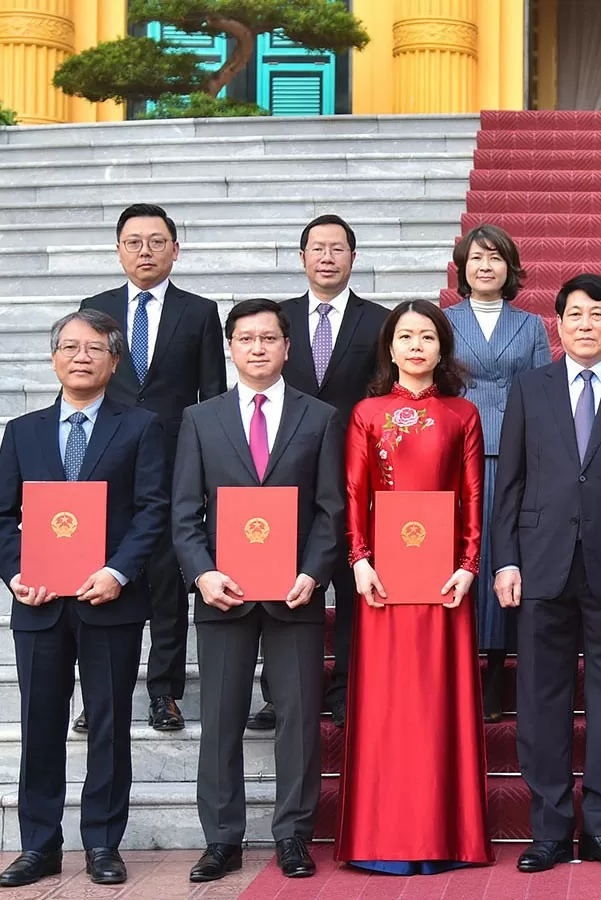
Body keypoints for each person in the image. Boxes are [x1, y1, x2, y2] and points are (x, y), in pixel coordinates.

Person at [0, 309, 170, 887]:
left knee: (109, 725)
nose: (81, 356)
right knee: (40, 724)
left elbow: (152, 510)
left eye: (94, 348)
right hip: (38, 604)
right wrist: (17, 575)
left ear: (116, 360)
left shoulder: (140, 427)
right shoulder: (24, 430)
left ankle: (102, 844)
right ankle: (38, 844)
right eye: (69, 346)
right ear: (54, 357)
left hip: (107, 600)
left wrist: (118, 571)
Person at [493, 273, 601, 873]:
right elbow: (510, 483)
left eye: (599, 315)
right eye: (575, 314)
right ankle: (548, 829)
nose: (586, 324)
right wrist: (507, 557)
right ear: (558, 324)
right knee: (541, 701)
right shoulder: (529, 388)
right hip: (542, 563)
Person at [171, 299, 344, 882]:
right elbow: (183, 511)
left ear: (287, 348)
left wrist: (313, 573)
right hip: (224, 591)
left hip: (294, 592)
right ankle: (222, 839)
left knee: (297, 719)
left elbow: (330, 510)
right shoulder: (202, 419)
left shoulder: (319, 417)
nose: (258, 348)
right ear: (230, 347)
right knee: (221, 718)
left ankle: (293, 835)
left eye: (269, 338)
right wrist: (202, 572)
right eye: (246, 339)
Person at [336, 300, 493, 874]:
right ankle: (383, 838)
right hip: (383, 582)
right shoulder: (366, 413)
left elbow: (474, 496)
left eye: (428, 336)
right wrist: (359, 560)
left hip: (444, 582)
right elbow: (353, 493)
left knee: (436, 704)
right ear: (390, 347)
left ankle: (444, 837)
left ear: (443, 347)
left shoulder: (462, 414)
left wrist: (469, 564)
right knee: (388, 707)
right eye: (406, 336)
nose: (417, 346)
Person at [75, 203, 226, 734]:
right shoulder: (94, 310)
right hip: (106, 466)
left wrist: (208, 473)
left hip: (171, 467)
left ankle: (164, 692)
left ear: (174, 250)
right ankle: (98, 697)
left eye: (156, 241)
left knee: (165, 581)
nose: (145, 250)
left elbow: (213, 398)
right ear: (119, 250)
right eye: (134, 241)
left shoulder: (200, 311)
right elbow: (79, 385)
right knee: (100, 577)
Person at [260, 214, 389, 731]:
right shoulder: (278, 320)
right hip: (285, 474)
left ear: (353, 258)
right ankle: (281, 693)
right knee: (282, 583)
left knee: (351, 587)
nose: (328, 257)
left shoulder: (379, 321)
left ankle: (347, 688)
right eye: (318, 248)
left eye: (338, 249)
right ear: (302, 258)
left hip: (356, 473)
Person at [445, 224, 552, 722]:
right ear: (463, 268)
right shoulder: (443, 321)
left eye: (495, 258)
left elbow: (539, 389)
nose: (485, 266)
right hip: (458, 448)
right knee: (466, 551)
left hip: (515, 449)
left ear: (510, 268)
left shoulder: (530, 326)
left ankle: (495, 668)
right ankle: (462, 661)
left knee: (506, 552)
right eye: (476, 258)